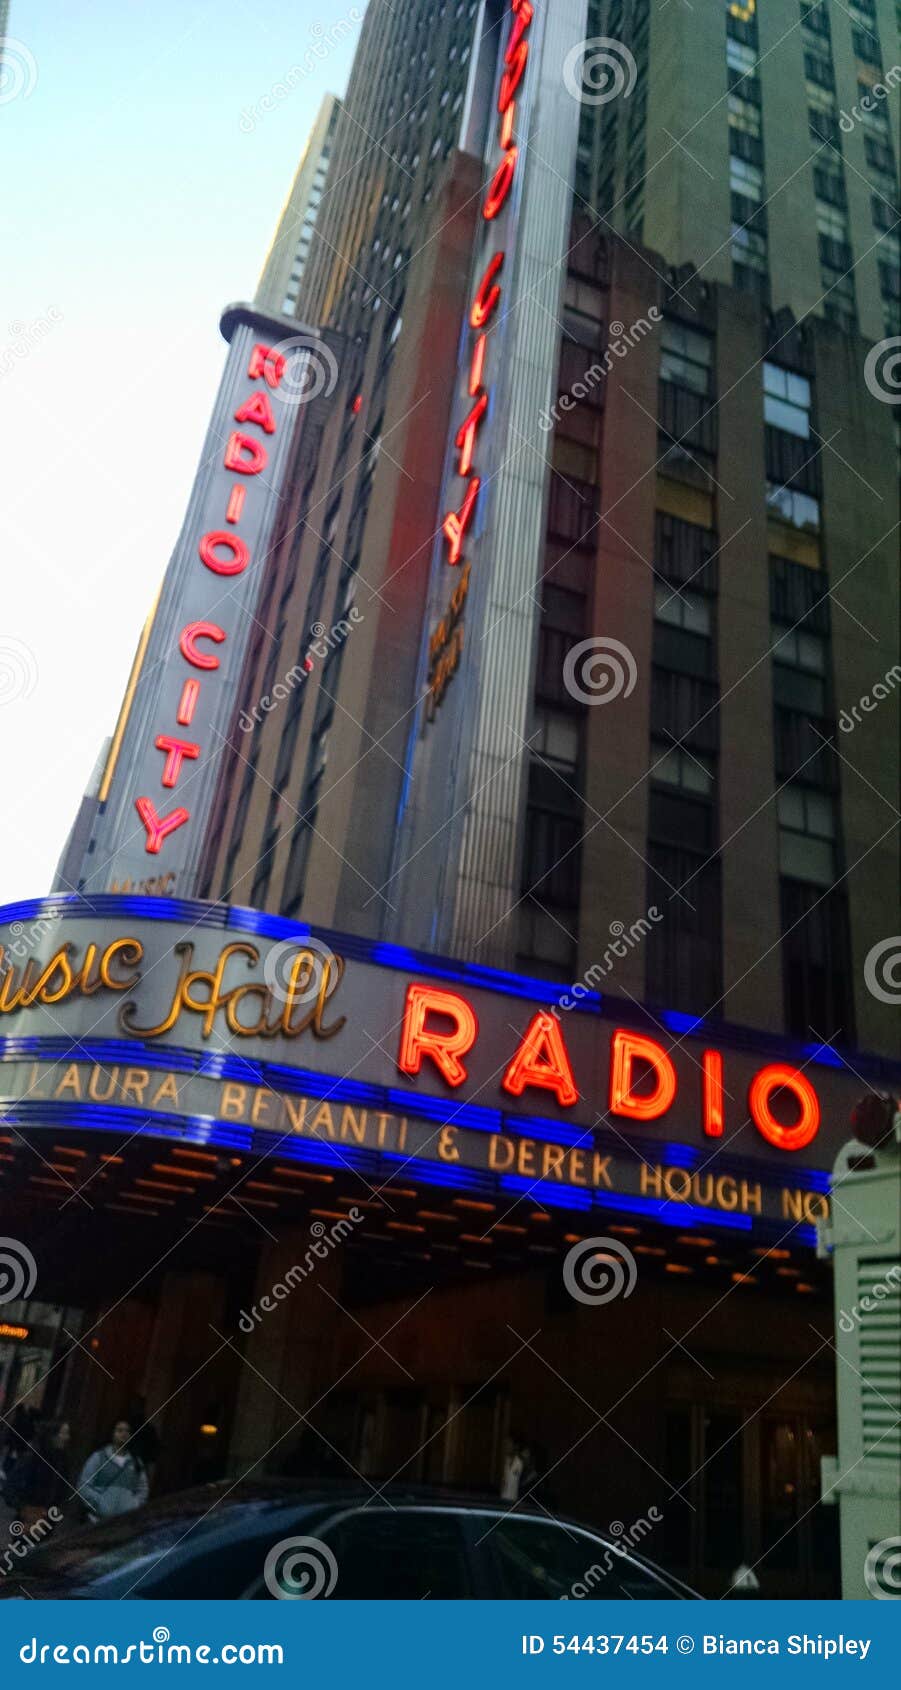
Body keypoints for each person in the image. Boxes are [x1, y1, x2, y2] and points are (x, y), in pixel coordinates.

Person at [6, 1418, 72, 1533]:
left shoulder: (62, 1460)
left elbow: (61, 1489)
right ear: (53, 1436)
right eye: (64, 1433)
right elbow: (9, 1486)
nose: (67, 1437)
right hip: (28, 1519)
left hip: (48, 1519)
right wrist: (24, 1508)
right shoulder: (33, 1457)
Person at [77, 1419, 148, 1522]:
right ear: (112, 1433)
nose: (124, 1434)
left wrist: (133, 1505)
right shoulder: (99, 1457)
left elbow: (143, 1489)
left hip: (124, 1523)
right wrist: (99, 1503)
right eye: (120, 1430)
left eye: (127, 1431)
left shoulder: (136, 1462)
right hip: (96, 1521)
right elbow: (83, 1485)